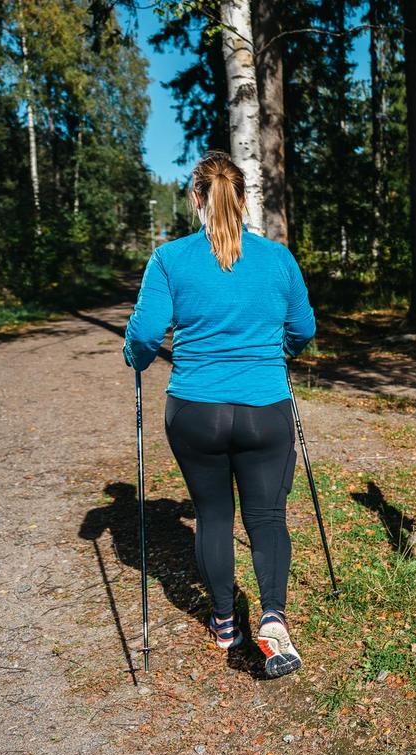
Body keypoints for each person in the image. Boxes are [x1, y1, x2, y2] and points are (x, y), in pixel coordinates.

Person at [122, 151, 315, 679]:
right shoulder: (277, 259)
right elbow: (303, 329)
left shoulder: (169, 258)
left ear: (196, 199)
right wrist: (283, 351)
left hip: (195, 410)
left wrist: (135, 359)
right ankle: (272, 621)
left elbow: (142, 336)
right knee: (267, 516)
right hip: (263, 409)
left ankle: (225, 622)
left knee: (212, 516)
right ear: (245, 199)